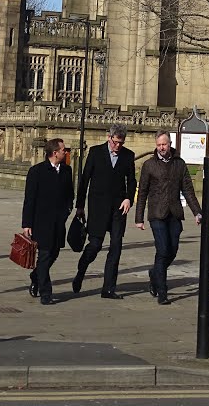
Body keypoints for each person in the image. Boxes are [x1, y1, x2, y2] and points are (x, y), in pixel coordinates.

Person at [135, 129, 202, 306]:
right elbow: (142, 192)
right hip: (156, 214)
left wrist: (197, 212)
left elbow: (187, 189)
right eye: (158, 145)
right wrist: (139, 218)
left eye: (164, 144)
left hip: (174, 213)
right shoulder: (149, 165)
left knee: (172, 251)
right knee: (163, 250)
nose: (161, 148)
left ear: (170, 144)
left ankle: (154, 273)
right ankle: (162, 292)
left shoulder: (179, 164)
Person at [72, 123, 136, 299]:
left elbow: (132, 181)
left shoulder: (128, 156)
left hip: (118, 208)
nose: (118, 146)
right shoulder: (95, 152)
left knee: (116, 246)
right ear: (109, 138)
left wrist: (128, 198)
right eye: (116, 142)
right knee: (95, 246)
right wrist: (80, 206)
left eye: (121, 143)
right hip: (98, 207)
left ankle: (108, 288)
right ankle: (81, 270)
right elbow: (84, 180)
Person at [22, 137, 73, 306]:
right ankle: (46, 293)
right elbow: (29, 199)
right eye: (63, 150)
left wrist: (68, 210)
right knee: (43, 256)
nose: (65, 152)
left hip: (59, 222)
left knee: (54, 253)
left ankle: (36, 275)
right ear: (54, 153)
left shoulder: (66, 170)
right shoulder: (36, 171)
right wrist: (27, 223)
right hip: (41, 222)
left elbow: (69, 195)